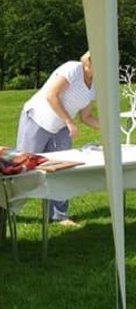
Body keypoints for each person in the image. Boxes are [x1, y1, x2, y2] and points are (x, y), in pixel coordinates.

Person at [15, 51, 98, 226]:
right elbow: (51, 95)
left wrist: (111, 127)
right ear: (89, 63)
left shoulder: (95, 84)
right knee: (23, 167)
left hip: (60, 127)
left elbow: (86, 117)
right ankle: (4, 210)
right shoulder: (72, 69)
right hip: (37, 119)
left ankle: (59, 215)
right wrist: (69, 122)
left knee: (63, 169)